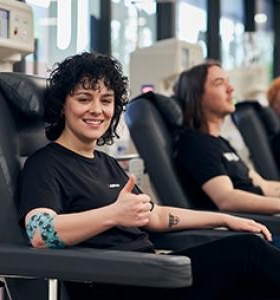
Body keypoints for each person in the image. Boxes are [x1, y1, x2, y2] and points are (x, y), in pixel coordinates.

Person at [19, 53, 280, 300]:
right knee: (247, 252)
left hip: (147, 270)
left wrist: (225, 219)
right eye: (84, 99)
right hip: (114, 283)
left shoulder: (105, 162)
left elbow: (155, 215)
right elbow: (40, 233)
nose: (97, 110)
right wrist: (113, 214)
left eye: (106, 100)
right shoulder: (45, 164)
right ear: (63, 105)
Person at [173, 61, 280, 215]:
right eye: (219, 83)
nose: (231, 89)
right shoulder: (195, 145)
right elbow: (227, 199)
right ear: (198, 95)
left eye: (228, 82)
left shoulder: (221, 143)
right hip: (249, 230)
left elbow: (265, 186)